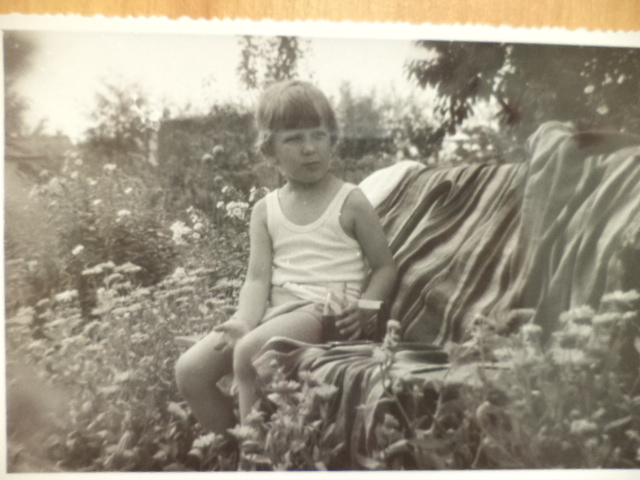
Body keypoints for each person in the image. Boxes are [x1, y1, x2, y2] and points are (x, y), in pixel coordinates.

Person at [175, 80, 397, 435]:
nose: (309, 148)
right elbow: (257, 279)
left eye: (319, 135)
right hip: (278, 314)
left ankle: (256, 457)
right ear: (270, 151)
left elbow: (384, 266)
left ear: (332, 139)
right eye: (293, 139)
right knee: (190, 371)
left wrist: (366, 308)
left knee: (248, 353)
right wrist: (244, 320)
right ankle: (237, 448)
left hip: (325, 312)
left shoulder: (350, 200)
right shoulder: (266, 210)